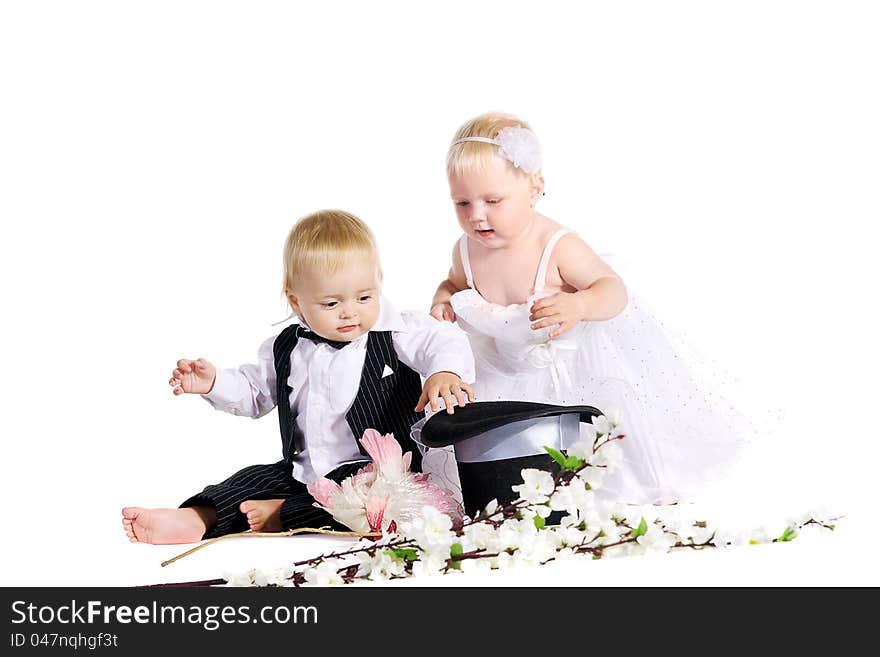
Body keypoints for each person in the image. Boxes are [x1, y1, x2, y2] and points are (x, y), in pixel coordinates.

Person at [428, 111, 749, 511]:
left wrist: (578, 303)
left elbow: (614, 291)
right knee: (511, 449)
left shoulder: (557, 245)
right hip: (505, 368)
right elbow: (454, 285)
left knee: (600, 444)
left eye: (493, 201)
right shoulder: (465, 250)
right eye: (462, 202)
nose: (477, 215)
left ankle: (619, 484)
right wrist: (443, 299)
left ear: (534, 188)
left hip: (569, 370)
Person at [122, 209, 475, 544]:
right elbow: (255, 392)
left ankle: (283, 516)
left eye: (364, 296)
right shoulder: (288, 346)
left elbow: (442, 338)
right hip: (302, 472)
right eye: (331, 304)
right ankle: (198, 517)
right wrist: (214, 383)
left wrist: (444, 371)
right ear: (296, 302)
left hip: (375, 474)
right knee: (249, 480)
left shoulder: (396, 333)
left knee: (368, 506)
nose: (350, 311)